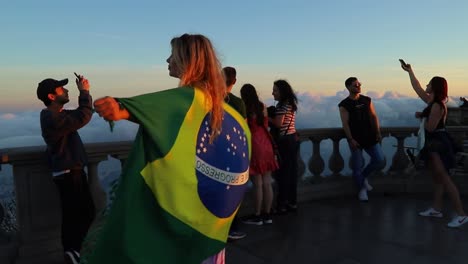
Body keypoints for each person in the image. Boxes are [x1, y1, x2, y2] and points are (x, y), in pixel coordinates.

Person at [86, 34, 251, 264]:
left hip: (184, 236)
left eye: (172, 55)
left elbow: (131, 110)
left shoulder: (183, 101)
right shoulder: (228, 111)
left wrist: (114, 107)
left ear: (186, 60)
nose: (167, 60)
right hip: (212, 231)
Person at [36, 74, 95, 264]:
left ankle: (74, 252)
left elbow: (80, 114)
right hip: (68, 174)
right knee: (77, 216)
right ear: (52, 96)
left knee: (81, 213)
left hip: (70, 172)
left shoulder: (58, 115)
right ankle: (73, 253)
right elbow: (83, 116)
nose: (66, 90)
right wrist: (84, 92)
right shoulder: (51, 117)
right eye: (61, 89)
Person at [401, 61, 467, 228]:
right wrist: (410, 71)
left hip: (437, 144)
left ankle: (461, 215)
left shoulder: (437, 105)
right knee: (438, 178)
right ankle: (436, 209)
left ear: (435, 87)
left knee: (444, 179)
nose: (426, 86)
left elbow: (431, 127)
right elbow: (417, 88)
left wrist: (421, 117)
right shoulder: (433, 102)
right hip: (436, 142)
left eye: (429, 84)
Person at [338, 77, 385, 202]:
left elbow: (374, 116)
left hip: (370, 136)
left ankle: (363, 178)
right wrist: (350, 139)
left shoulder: (367, 100)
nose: (358, 86)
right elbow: (345, 124)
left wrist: (378, 132)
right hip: (356, 140)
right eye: (355, 85)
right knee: (357, 166)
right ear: (348, 87)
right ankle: (362, 190)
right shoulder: (344, 105)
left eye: (359, 84)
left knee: (379, 159)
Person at [240, 84, 278, 225]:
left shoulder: (246, 109)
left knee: (258, 183)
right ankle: (267, 214)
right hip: (266, 143)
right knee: (267, 182)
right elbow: (266, 124)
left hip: (254, 144)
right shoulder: (262, 106)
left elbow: (244, 128)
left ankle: (257, 216)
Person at [222, 66, 247, 241]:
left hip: (215, 149)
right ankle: (232, 227)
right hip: (233, 151)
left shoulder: (211, 99)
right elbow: (243, 128)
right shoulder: (238, 103)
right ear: (235, 81)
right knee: (232, 191)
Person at [269, 79, 299, 214]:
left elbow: (278, 124)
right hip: (292, 139)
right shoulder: (290, 104)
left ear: (282, 91)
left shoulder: (282, 106)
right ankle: (292, 202)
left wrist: (265, 116)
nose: (272, 93)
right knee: (291, 172)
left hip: (285, 141)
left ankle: (281, 204)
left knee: (283, 174)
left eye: (275, 90)